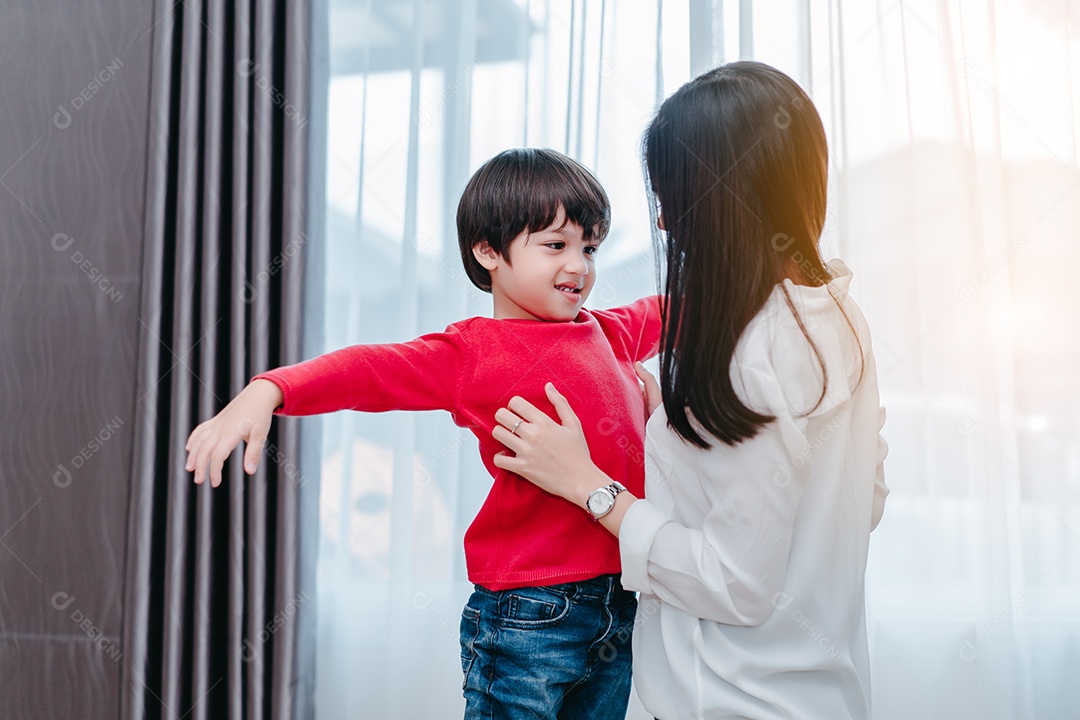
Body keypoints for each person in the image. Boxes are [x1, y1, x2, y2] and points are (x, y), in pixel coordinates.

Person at [184, 147, 663, 720]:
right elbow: (368, 370)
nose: (579, 266)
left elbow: (690, 305)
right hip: (529, 611)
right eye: (555, 246)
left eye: (589, 247)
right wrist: (270, 390)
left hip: (620, 600)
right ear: (488, 250)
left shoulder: (609, 333)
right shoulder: (472, 353)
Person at [490, 62, 890, 720]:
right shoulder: (836, 319)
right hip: (824, 695)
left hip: (732, 701)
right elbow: (854, 500)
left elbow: (736, 584)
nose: (662, 218)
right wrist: (674, 430)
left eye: (671, 193)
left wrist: (589, 487)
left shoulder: (741, 355)